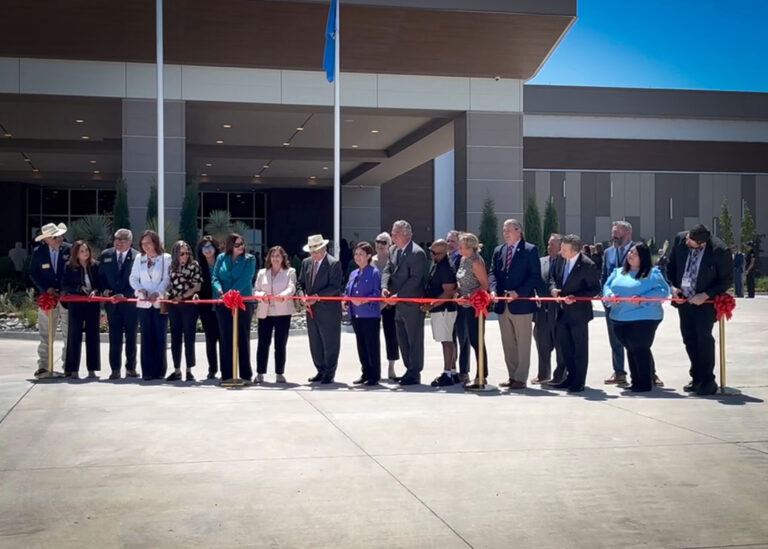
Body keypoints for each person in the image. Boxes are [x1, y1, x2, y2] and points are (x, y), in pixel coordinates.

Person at [666, 224, 732, 396]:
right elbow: (670, 266)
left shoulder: (720, 251)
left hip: (705, 303)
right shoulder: (680, 240)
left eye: (691, 241)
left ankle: (708, 381)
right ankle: (696, 377)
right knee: (689, 338)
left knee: (703, 339)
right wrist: (673, 287)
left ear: (702, 244)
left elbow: (726, 280)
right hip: (684, 300)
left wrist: (706, 295)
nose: (686, 241)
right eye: (688, 237)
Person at [603, 242, 670, 392]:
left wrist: (643, 298)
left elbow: (663, 291)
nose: (630, 255)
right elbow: (607, 286)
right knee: (630, 349)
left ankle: (644, 382)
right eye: (630, 252)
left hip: (644, 318)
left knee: (640, 348)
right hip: (619, 317)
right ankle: (635, 381)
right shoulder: (618, 272)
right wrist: (610, 295)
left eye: (634, 253)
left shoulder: (653, 273)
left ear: (643, 257)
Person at [488, 219, 540, 390]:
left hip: (521, 305)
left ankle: (521, 377)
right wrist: (493, 290)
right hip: (503, 305)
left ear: (519, 231)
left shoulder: (530, 250)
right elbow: (492, 273)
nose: (505, 234)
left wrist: (518, 292)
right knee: (508, 342)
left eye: (509, 230)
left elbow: (534, 276)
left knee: (523, 343)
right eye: (504, 230)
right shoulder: (499, 250)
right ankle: (512, 376)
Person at [549, 234, 601, 393]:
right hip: (562, 312)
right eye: (561, 248)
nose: (561, 251)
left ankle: (579, 381)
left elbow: (594, 289)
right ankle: (569, 378)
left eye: (565, 249)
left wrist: (576, 298)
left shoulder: (587, 265)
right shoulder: (560, 259)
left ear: (575, 251)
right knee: (565, 348)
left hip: (579, 314)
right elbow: (553, 277)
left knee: (579, 349)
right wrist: (553, 289)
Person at [381, 220, 428, 386]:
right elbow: (387, 269)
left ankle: (415, 372)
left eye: (396, 233)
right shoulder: (393, 250)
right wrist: (384, 287)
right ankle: (409, 369)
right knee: (402, 338)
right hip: (397, 304)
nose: (393, 236)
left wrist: (399, 295)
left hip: (411, 304)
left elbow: (415, 279)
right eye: (392, 233)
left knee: (414, 338)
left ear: (407, 235)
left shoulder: (417, 253)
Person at [212, 233, 256, 385]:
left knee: (242, 337)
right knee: (225, 338)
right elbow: (215, 277)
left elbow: (246, 278)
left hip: (242, 302)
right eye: (237, 245)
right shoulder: (221, 258)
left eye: (242, 244)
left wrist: (231, 293)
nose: (241, 247)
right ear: (230, 246)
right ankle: (227, 375)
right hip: (223, 303)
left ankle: (245, 375)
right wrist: (219, 290)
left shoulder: (249, 259)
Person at [298, 234, 343, 384]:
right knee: (315, 343)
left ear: (324, 248)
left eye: (316, 251)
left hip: (328, 311)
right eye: (312, 252)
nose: (314, 254)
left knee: (330, 343)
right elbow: (300, 284)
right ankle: (320, 370)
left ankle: (329, 372)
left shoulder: (333, 264)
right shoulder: (306, 263)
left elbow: (335, 287)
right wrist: (302, 297)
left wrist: (316, 297)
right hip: (311, 312)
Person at [29, 222, 71, 379]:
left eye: (60, 236)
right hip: (48, 298)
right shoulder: (39, 252)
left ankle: (69, 366)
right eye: (54, 237)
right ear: (46, 239)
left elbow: (74, 270)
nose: (59, 239)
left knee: (69, 333)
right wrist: (46, 288)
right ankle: (44, 366)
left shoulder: (69, 249)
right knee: (45, 334)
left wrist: (66, 288)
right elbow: (33, 273)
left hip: (66, 297)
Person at [129, 230, 171, 381]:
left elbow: (167, 279)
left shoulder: (165, 258)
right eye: (143, 243)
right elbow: (133, 278)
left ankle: (159, 371)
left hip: (159, 303)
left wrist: (158, 293)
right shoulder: (139, 258)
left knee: (160, 337)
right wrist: (140, 289)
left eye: (148, 243)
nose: (146, 246)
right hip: (144, 303)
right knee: (146, 338)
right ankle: (147, 371)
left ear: (155, 243)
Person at [98, 228, 139, 379]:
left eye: (123, 239)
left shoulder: (137, 257)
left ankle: (131, 368)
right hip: (112, 303)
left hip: (130, 304)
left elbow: (138, 279)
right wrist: (105, 290)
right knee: (114, 338)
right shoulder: (106, 255)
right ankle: (115, 369)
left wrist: (126, 294)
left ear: (130, 242)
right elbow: (100, 277)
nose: (119, 242)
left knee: (131, 337)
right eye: (117, 239)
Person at [253, 245, 297, 384]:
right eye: (273, 256)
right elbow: (255, 290)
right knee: (263, 343)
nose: (275, 258)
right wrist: (262, 295)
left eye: (278, 256)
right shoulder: (262, 273)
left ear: (283, 257)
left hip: (282, 312)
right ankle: (260, 373)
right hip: (265, 312)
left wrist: (282, 295)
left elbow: (292, 287)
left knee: (280, 344)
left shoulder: (290, 272)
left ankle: (279, 373)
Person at [421, 239, 459, 387]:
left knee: (446, 341)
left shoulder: (446, 268)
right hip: (441, 309)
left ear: (443, 253)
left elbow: (448, 292)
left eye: (435, 253)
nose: (432, 255)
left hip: (444, 309)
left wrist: (431, 306)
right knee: (447, 340)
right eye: (431, 251)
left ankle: (447, 373)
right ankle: (453, 372)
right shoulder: (438, 265)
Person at [62, 240, 101, 379]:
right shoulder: (69, 266)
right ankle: (73, 369)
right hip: (76, 304)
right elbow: (65, 285)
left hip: (92, 304)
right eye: (82, 251)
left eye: (87, 250)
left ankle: (92, 369)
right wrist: (79, 288)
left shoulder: (95, 265)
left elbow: (100, 283)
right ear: (76, 253)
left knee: (93, 336)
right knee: (74, 336)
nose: (85, 253)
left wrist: (95, 291)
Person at [344, 242, 382, 386]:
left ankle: (374, 375)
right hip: (356, 314)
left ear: (368, 256)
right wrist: (345, 300)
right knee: (361, 346)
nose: (357, 257)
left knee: (371, 345)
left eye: (361, 254)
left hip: (369, 315)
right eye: (356, 254)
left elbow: (376, 293)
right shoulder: (353, 273)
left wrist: (363, 300)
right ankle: (365, 372)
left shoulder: (374, 272)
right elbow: (347, 290)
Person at [455, 232, 490, 386]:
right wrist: (458, 292)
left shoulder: (476, 261)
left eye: (461, 246)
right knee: (466, 339)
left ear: (470, 247)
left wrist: (470, 296)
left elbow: (484, 285)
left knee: (477, 340)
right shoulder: (463, 259)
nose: (459, 249)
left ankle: (481, 375)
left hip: (476, 306)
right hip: (463, 305)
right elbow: (461, 279)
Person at [601, 220, 633, 386]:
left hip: (633, 305)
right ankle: (619, 372)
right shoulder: (608, 252)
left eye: (617, 234)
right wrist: (605, 297)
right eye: (613, 234)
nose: (614, 237)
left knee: (637, 341)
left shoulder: (638, 251)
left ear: (628, 234)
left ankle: (650, 373)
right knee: (615, 341)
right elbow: (604, 276)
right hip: (612, 303)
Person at [166, 240, 202, 382]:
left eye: (187, 253)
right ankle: (177, 370)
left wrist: (182, 296)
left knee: (189, 337)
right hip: (174, 305)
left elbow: (197, 286)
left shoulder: (194, 265)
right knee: (175, 337)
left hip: (188, 304)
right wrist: (167, 294)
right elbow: (169, 284)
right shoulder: (172, 266)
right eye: (182, 253)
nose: (185, 256)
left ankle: (189, 370)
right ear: (176, 254)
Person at [534, 233, 566, 384]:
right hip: (542, 310)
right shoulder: (541, 262)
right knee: (542, 343)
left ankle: (560, 375)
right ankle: (543, 374)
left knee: (561, 344)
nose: (549, 247)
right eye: (548, 244)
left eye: (552, 244)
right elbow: (534, 281)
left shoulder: (566, 263)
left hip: (559, 311)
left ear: (561, 246)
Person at [372, 232, 399, 379]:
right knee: (372, 335)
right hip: (373, 302)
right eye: (378, 241)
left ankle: (391, 366)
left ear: (389, 245)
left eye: (383, 242)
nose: (380, 245)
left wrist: (386, 301)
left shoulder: (394, 261)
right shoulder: (371, 260)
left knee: (391, 335)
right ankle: (372, 367)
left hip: (390, 303)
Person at [196, 236, 222, 379]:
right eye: (204, 247)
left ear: (215, 248)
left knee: (224, 339)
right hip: (206, 307)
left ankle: (226, 368)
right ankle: (212, 369)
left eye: (210, 247)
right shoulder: (199, 266)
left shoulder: (222, 262)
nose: (207, 250)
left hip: (222, 306)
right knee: (210, 340)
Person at [446, 229, 470, 379]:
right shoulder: (445, 258)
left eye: (453, 241)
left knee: (463, 338)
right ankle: (452, 369)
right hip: (448, 305)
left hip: (461, 305)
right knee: (450, 338)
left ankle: (464, 371)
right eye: (448, 241)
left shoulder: (462, 259)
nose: (449, 244)